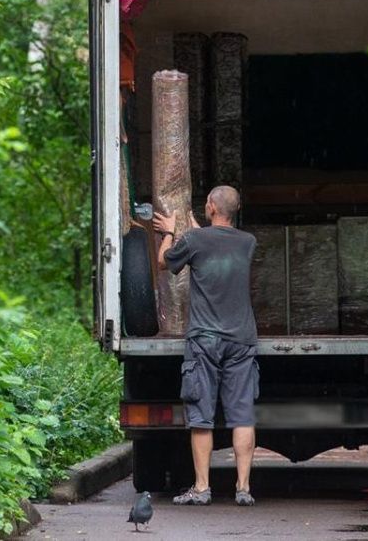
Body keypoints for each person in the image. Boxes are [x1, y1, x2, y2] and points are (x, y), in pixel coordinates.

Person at [153, 185, 258, 507]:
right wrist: (195, 231)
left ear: (210, 206)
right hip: (241, 339)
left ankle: (202, 488)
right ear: (235, 209)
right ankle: (243, 488)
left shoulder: (194, 242)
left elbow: (163, 263)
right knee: (242, 415)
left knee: (201, 415)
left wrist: (170, 233)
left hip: (205, 340)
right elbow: (216, 246)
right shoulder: (247, 243)